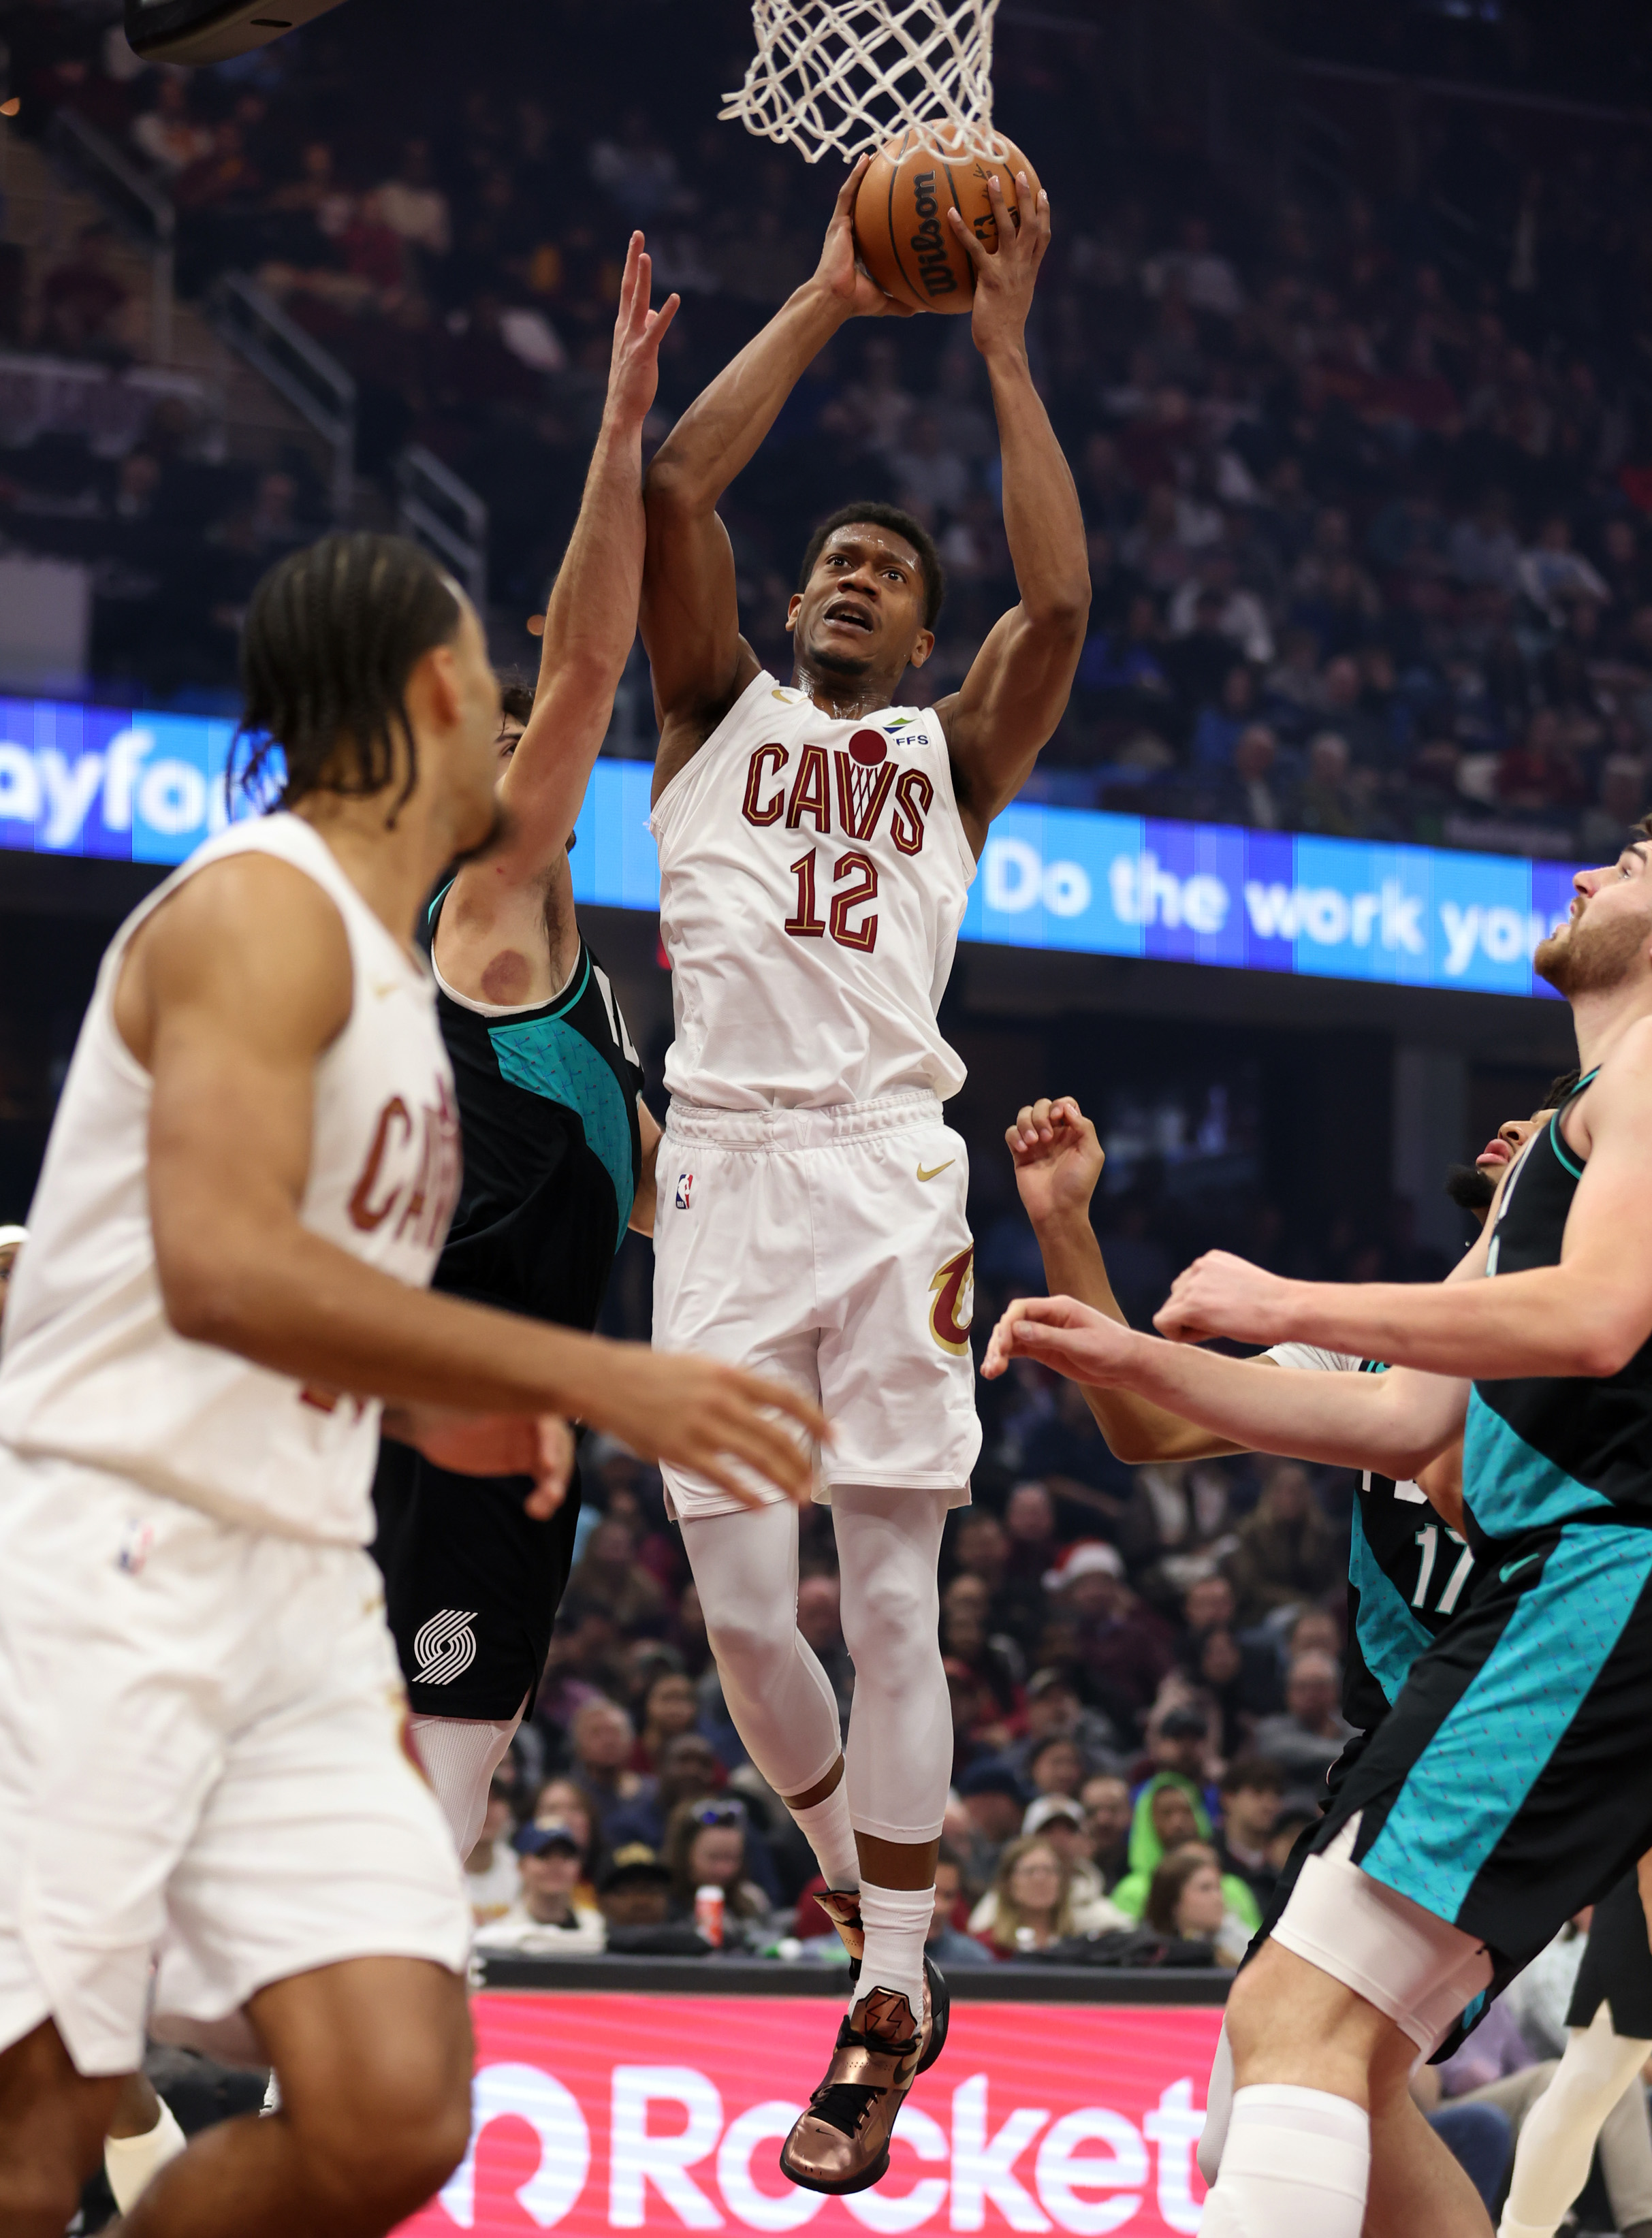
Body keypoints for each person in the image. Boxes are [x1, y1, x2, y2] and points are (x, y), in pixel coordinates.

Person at [0, 530, 825, 2237]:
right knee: (35, 2125)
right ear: (438, 696)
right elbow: (224, 1269)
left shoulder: (409, 984)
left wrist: (484, 1401)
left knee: (392, 2105)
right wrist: (589, 1374)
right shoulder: (257, 907)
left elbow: (352, 1303)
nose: (528, 727)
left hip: (302, 1566)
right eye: (493, 679)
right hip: (120, 1556)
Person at [983, 825, 1652, 2238]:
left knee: (1300, 2022)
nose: (1589, 872)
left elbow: (1592, 1319)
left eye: (1639, 855)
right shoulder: (1516, 1214)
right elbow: (1408, 1418)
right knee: (1307, 2060)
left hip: (1591, 1600)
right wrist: (1108, 1344)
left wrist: (1286, 1294)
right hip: (1506, 1658)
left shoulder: (1642, 1077)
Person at [639, 150, 1087, 2194]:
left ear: (916, 636)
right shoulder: (704, 707)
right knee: (743, 1616)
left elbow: (1058, 602)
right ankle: (848, 1868)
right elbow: (666, 500)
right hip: (723, 1171)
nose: (852, 572)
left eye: (888, 571)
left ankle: (890, 1987)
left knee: (892, 1600)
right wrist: (826, 292)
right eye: (833, 554)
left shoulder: (943, 756)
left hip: (892, 1176)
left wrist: (997, 353)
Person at [373, 235, 679, 1861]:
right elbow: (584, 659)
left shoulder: (579, 987)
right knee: (428, 1809)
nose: (532, 745)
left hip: (498, 1402)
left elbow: (640, 1206)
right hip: (449, 1403)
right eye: (504, 737)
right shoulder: (486, 900)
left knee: (438, 1788)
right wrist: (619, 429)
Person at [472, 1823, 605, 1955]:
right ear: (521, 1866)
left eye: (566, 1856)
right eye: (543, 1855)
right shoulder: (499, 1933)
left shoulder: (597, 1927)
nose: (556, 1865)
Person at [664, 1799, 772, 1947]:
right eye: (714, 1858)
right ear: (684, 1856)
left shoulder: (752, 1900)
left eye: (733, 1858)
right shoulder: (662, 1903)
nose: (724, 1870)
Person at [1252, 1650, 1356, 1783]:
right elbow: (1280, 1751)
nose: (1310, 1694)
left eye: (1319, 1687)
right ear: (1288, 1693)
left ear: (1336, 1690)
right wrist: (1347, 1754)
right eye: (1302, 1687)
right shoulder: (1272, 1730)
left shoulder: (1355, 1730)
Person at [1143, 1847, 1249, 1966]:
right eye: (1205, 1888)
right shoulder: (1148, 1954)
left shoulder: (1238, 1939)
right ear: (1173, 1900)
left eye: (1218, 1888)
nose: (1218, 1898)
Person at [972, 1838, 1074, 1958]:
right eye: (1030, 1871)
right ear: (1009, 1883)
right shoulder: (985, 1947)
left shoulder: (1079, 1947)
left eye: (1048, 1870)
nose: (1040, 1879)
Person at [927, 1847, 992, 1970]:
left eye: (948, 1896)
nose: (939, 1908)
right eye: (931, 1893)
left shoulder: (974, 1961)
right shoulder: (881, 1954)